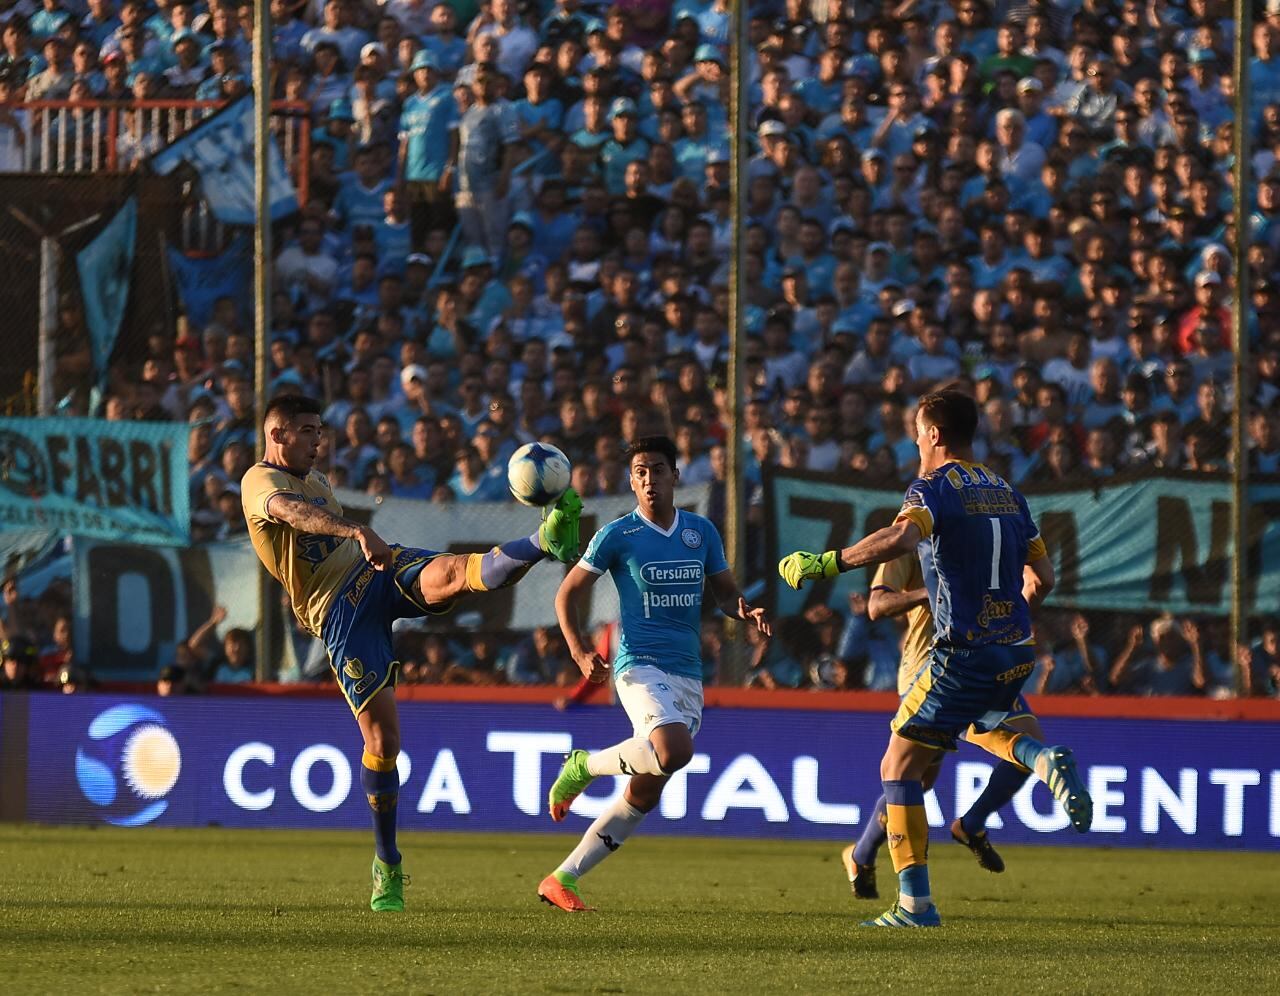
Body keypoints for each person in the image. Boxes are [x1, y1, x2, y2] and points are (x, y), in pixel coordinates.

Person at [241, 395, 582, 913]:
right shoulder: (259, 482)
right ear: (278, 434)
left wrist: (359, 539)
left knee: (452, 576)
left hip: (372, 571)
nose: (319, 440)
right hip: (338, 613)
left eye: (319, 430)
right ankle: (388, 863)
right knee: (384, 741)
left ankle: (544, 539)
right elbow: (293, 514)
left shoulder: (318, 479)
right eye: (308, 431)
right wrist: (355, 528)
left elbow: (313, 511)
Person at [778, 390, 1091, 928]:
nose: (914, 440)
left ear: (936, 435)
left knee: (897, 767)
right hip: (1015, 647)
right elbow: (1043, 580)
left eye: (917, 431)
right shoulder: (1008, 492)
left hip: (959, 652)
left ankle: (914, 904)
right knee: (986, 724)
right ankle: (1040, 759)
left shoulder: (933, 488)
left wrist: (828, 562)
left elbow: (901, 537)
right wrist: (1006, 616)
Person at [537, 435, 771, 912]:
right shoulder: (617, 535)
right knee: (673, 750)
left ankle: (562, 877)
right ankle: (581, 765)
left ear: (674, 476)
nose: (649, 479)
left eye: (658, 470)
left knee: (647, 786)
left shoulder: (700, 532)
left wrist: (743, 611)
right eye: (640, 471)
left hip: (688, 671)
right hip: (638, 663)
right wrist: (581, 652)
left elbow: (725, 594)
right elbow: (567, 594)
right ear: (632, 480)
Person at [839, 548, 1056, 902]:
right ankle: (868, 860)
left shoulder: (985, 528)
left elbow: (1036, 582)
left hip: (982, 660)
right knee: (915, 777)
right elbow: (877, 606)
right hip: (930, 672)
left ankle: (969, 826)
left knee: (1030, 743)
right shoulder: (907, 540)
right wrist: (931, 592)